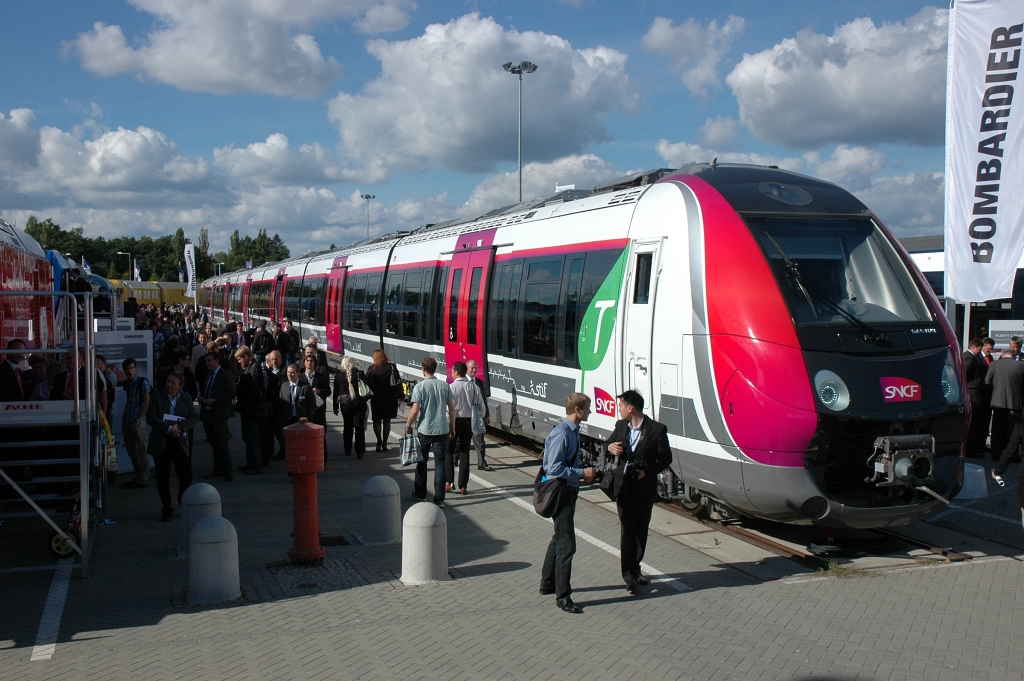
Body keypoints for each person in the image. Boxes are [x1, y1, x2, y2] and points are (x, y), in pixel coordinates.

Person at [605, 390, 672, 593]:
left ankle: (636, 568)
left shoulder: (657, 430)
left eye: (621, 406)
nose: (619, 410)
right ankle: (628, 575)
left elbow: (666, 458)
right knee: (628, 530)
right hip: (623, 486)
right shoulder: (620, 426)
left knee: (641, 529)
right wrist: (610, 448)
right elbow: (607, 442)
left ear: (630, 408)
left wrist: (647, 472)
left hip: (643, 487)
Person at [539, 393, 596, 614]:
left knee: (559, 537)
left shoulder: (570, 431)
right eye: (588, 408)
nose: (590, 411)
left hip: (566, 492)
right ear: (578, 410)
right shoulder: (563, 434)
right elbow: (553, 469)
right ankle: (563, 596)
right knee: (567, 545)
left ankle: (547, 584)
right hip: (561, 494)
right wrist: (582, 472)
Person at [147, 371, 200, 521]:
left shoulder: (187, 399)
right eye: (168, 382)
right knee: (162, 478)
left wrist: (181, 428)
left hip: (179, 442)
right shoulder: (157, 397)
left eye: (173, 383)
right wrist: (168, 429)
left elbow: (194, 416)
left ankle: (182, 502)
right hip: (162, 441)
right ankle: (167, 508)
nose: (169, 385)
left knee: (186, 475)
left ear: (180, 386)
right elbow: (151, 417)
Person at [404, 357, 456, 506]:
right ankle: (439, 499)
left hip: (425, 430)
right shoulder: (444, 386)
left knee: (422, 462)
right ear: (434, 369)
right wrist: (452, 427)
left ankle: (420, 493)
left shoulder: (420, 387)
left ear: (423, 369)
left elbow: (415, 410)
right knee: (440, 463)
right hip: (441, 429)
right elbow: (452, 408)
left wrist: (408, 425)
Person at [445, 362, 484, 495]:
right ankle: (463, 485)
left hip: (454, 420)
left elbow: (447, 409)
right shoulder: (474, 387)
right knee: (464, 452)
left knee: (449, 451)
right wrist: (477, 418)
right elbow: (481, 407)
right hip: (468, 421)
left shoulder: (450, 387)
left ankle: (450, 482)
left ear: (456, 372)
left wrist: (450, 425)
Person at [200, 352, 237, 481]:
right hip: (207, 414)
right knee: (213, 442)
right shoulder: (208, 376)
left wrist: (215, 400)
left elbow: (231, 393)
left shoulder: (225, 374)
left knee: (221, 443)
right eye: (206, 361)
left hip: (219, 415)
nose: (207, 363)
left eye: (209, 360)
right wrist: (202, 398)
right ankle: (218, 468)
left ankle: (227, 471)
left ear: (217, 361)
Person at [985, 349, 1024, 463]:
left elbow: (987, 381)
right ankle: (1011, 455)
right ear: (1013, 355)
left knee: (997, 429)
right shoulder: (1021, 365)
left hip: (998, 402)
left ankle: (995, 454)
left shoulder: (994, 364)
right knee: (1012, 431)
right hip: (1015, 403)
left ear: (1002, 355)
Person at [235, 346, 268, 475]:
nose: (239, 362)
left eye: (240, 359)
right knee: (248, 437)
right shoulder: (250, 367)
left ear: (246, 356)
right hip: (248, 408)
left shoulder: (253, 368)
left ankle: (256, 465)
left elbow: (252, 388)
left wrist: (240, 386)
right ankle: (251, 462)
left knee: (253, 437)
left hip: (252, 409)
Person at [121, 358, 151, 488]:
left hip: (137, 421)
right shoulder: (127, 382)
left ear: (136, 369)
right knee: (132, 451)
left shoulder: (142, 382)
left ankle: (143, 478)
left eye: (132, 368)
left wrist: (139, 418)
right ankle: (139, 476)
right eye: (127, 368)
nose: (130, 371)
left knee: (142, 450)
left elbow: (146, 402)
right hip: (127, 419)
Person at [365, 349, 401, 452]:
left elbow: (367, 384)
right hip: (390, 398)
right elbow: (397, 381)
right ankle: (385, 443)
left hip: (376, 398)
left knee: (376, 421)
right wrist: (401, 395)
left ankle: (378, 441)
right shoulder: (391, 367)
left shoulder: (371, 369)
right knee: (387, 421)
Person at [333, 356, 368, 458]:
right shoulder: (359, 374)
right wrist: (364, 400)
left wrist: (335, 406)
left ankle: (347, 450)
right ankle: (360, 450)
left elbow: (336, 393)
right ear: (353, 364)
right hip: (359, 403)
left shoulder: (339, 376)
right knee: (359, 427)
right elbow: (369, 387)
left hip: (345, 404)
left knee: (347, 427)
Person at [963, 338, 991, 457]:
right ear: (973, 347)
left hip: (975, 394)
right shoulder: (969, 358)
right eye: (979, 350)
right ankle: (970, 450)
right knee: (974, 423)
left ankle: (973, 448)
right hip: (974, 395)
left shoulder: (969, 357)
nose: (980, 352)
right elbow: (964, 374)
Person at [300, 349, 331, 454]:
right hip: (305, 411)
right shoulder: (301, 378)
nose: (309, 363)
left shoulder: (320, 377)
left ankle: (323, 457)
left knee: (320, 434)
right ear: (304, 362)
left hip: (319, 410)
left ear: (315, 363)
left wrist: (319, 391)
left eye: (311, 361)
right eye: (307, 361)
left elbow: (328, 391)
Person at [278, 363, 314, 449]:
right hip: (287, 419)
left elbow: (312, 404)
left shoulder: (305, 387)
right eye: (288, 372)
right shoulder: (284, 386)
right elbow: (280, 404)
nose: (289, 375)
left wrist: (308, 418)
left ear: (298, 373)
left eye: (292, 372)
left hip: (300, 419)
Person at [466, 360, 492, 470]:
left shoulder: (479, 383)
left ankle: (481, 463)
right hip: (464, 416)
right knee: (460, 442)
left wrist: (487, 414)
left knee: (480, 440)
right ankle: (455, 459)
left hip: (476, 416)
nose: (474, 370)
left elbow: (483, 400)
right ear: (467, 368)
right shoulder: (462, 382)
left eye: (476, 368)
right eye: (472, 368)